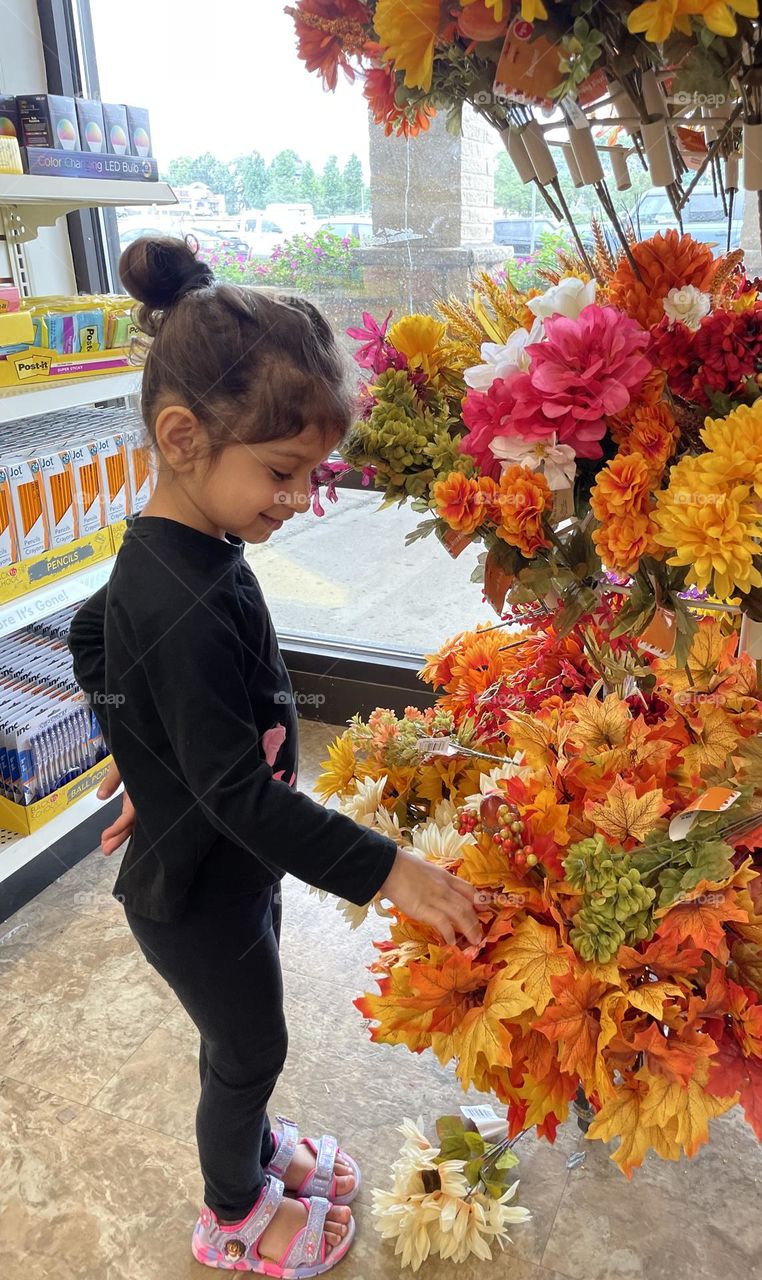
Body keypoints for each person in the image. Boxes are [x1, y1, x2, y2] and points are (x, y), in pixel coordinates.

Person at [68, 236, 481, 1277]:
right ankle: (232, 1209)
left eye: (310, 473)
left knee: (244, 1043)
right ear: (183, 435)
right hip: (195, 891)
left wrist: (138, 748)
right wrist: (392, 869)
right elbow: (240, 796)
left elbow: (88, 634)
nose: (298, 499)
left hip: (217, 862)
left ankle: (248, 1152)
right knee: (248, 1049)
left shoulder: (185, 549)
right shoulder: (182, 589)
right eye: (283, 471)